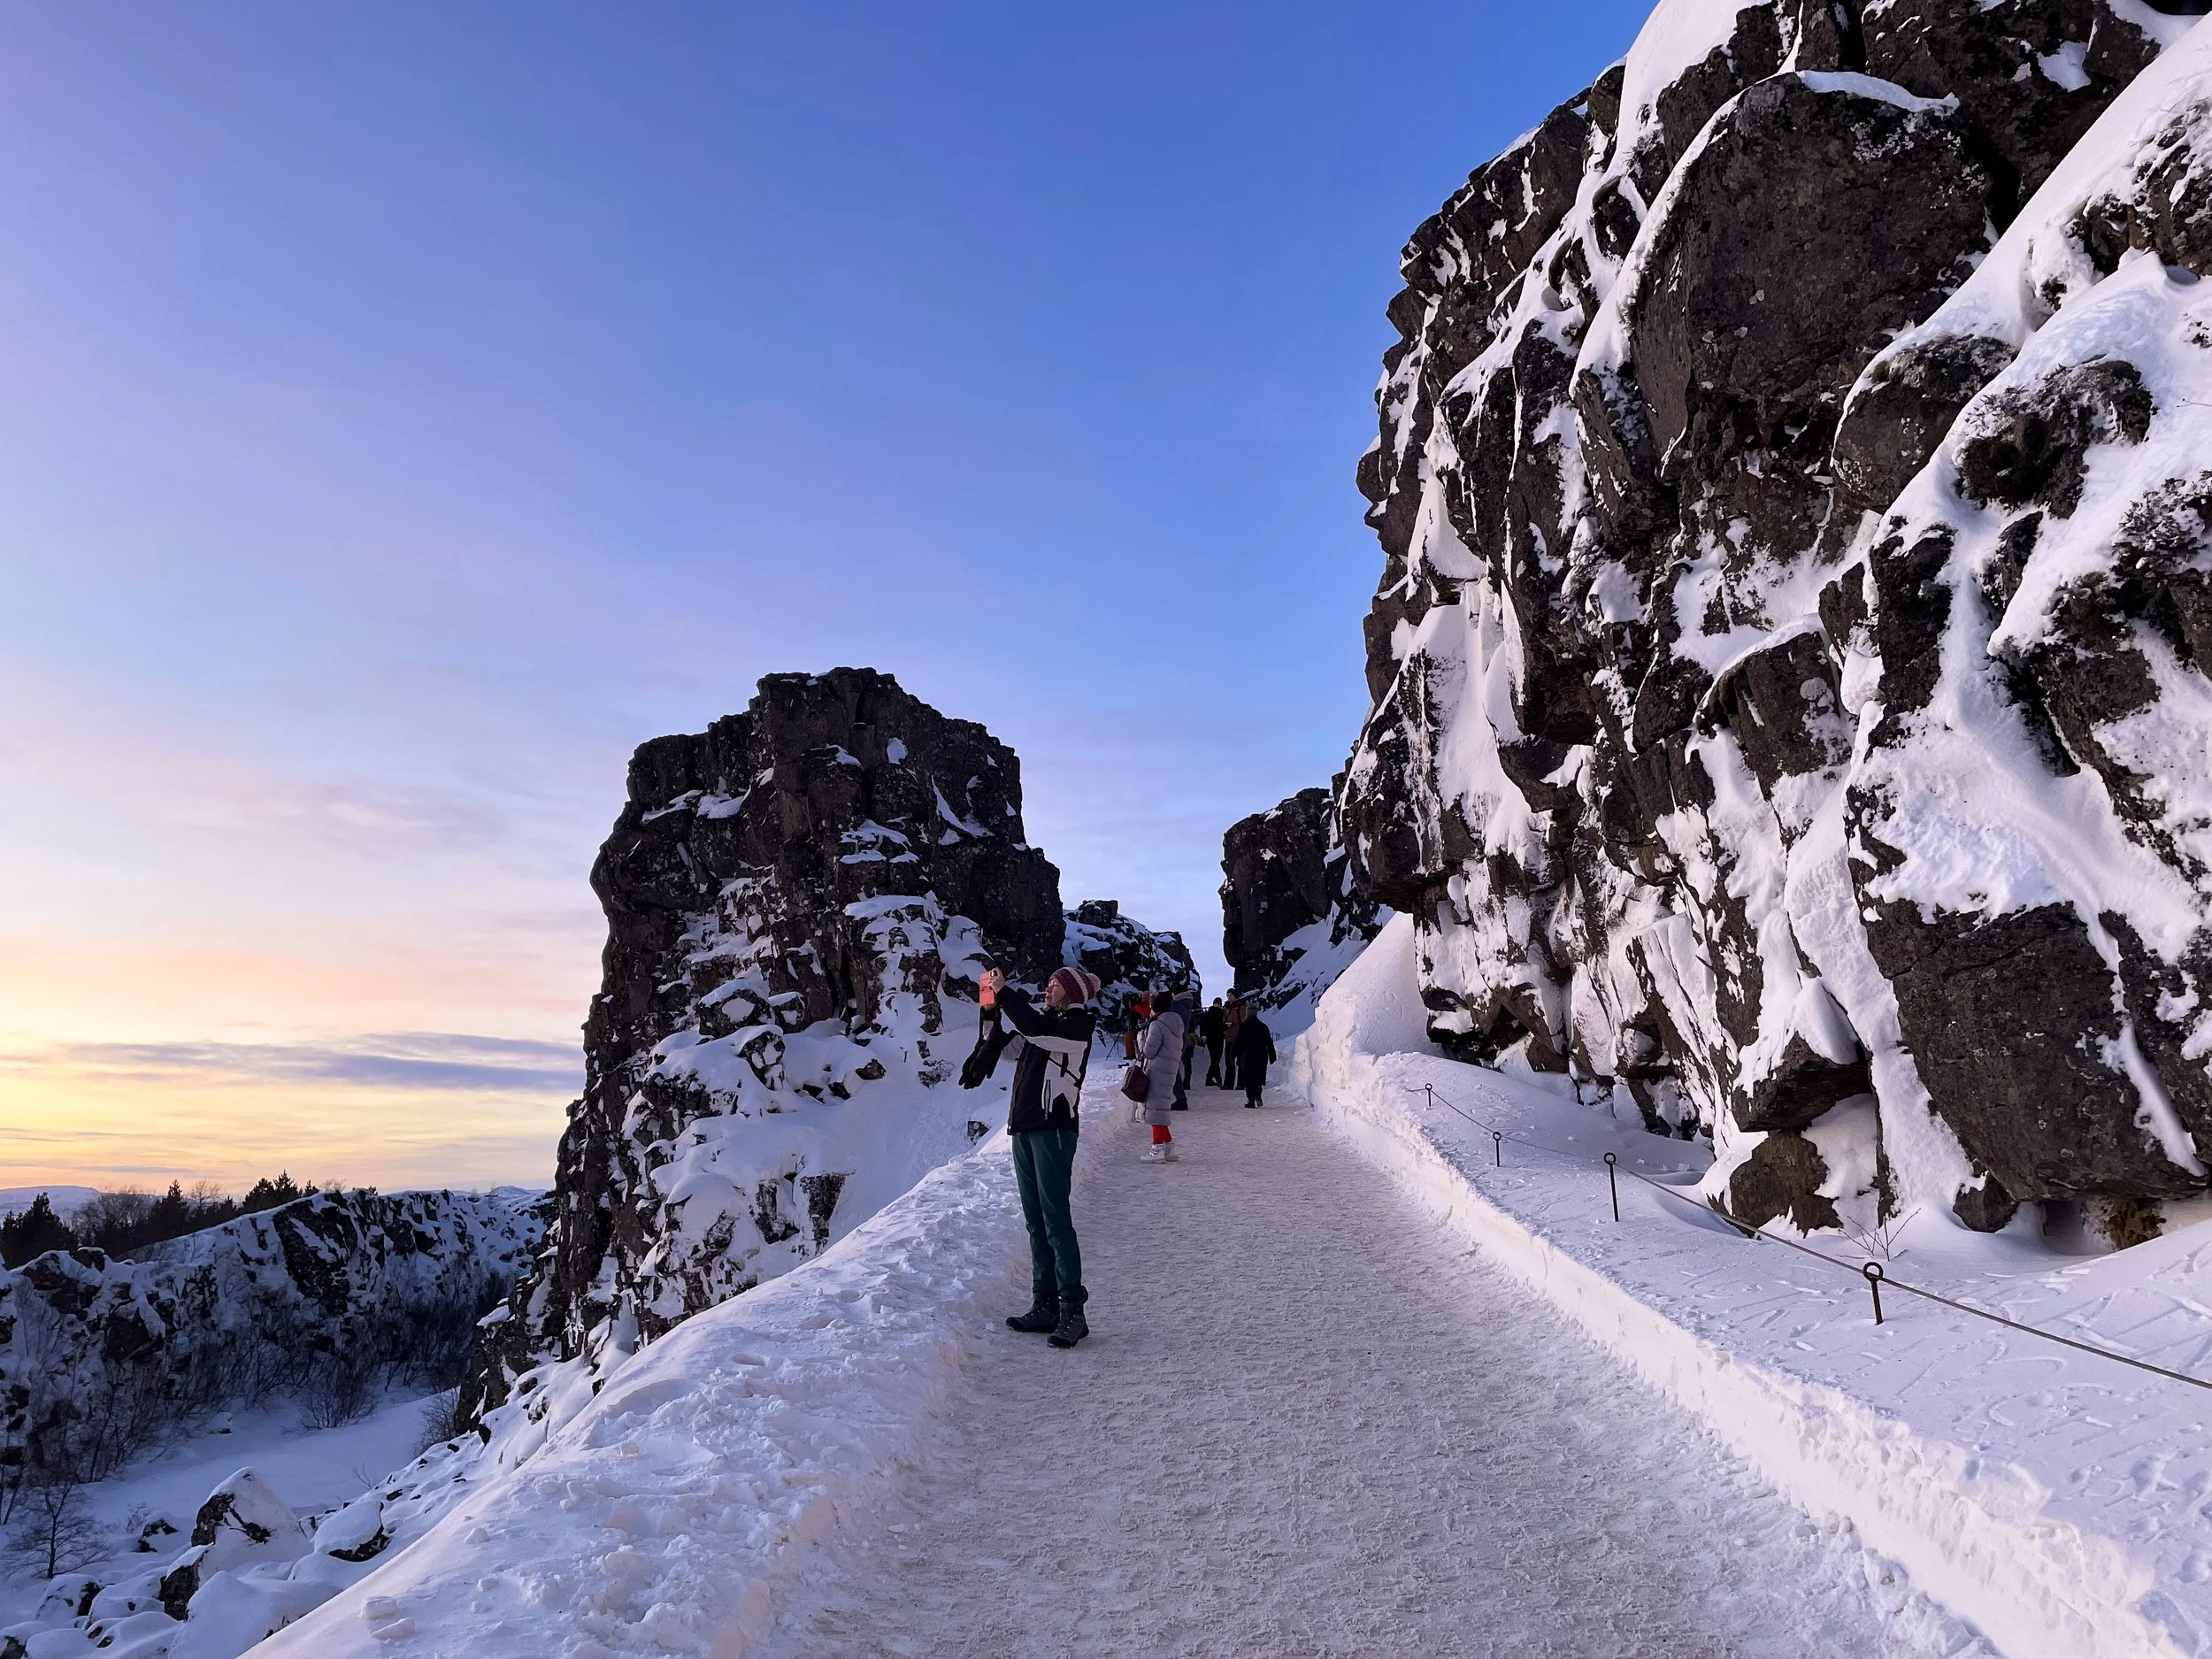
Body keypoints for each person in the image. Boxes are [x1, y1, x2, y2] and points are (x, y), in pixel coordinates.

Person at [978, 965, 1100, 1348]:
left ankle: (1072, 1309)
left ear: (1071, 993)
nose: (1048, 989)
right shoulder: (1044, 1026)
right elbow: (1009, 1047)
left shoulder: (1076, 1027)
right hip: (1027, 1127)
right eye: (1048, 983)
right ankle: (1044, 1302)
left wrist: (1006, 993)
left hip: (1054, 1129)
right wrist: (990, 1011)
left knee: (1055, 1220)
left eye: (1055, 985)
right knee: (1036, 1221)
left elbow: (1032, 1028)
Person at [1138, 995, 1184, 1163]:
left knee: (1155, 1109)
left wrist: (1141, 1039)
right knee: (1160, 1108)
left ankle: (1157, 1149)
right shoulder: (1176, 1023)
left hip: (1157, 1071)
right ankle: (1169, 1148)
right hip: (1169, 1070)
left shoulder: (1157, 1025)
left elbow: (1148, 1052)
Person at [1234, 1004, 1276, 1108]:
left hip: (1247, 1056)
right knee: (1258, 1077)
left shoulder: (1244, 1027)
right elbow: (1269, 1042)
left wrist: (1232, 1054)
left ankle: (1251, 1100)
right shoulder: (1263, 1027)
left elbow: (1238, 1042)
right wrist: (1272, 1055)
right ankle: (1258, 1096)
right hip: (1261, 1056)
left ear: (1247, 1013)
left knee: (1248, 1078)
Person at [1170, 987, 1197, 1110]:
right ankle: (1181, 1097)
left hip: (1173, 1040)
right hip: (1182, 1039)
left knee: (1172, 1071)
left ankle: (1180, 1098)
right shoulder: (1187, 1005)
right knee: (1176, 1069)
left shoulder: (1176, 1005)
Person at [1220, 993, 1247, 1092]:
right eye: (1227, 995)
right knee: (1229, 1061)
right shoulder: (1226, 1008)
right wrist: (1224, 1027)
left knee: (1240, 1062)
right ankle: (1228, 1084)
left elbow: (1244, 1022)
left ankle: (1241, 1084)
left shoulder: (1241, 1007)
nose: (1229, 997)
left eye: (1231, 995)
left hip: (1239, 1038)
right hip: (1229, 1037)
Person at [1199, 997, 1225, 1087]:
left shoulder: (1209, 1013)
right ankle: (1210, 1077)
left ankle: (1217, 1077)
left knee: (1215, 1058)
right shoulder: (1221, 1014)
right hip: (1217, 1038)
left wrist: (1203, 1036)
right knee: (1216, 1059)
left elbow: (1203, 1025)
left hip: (1212, 1039)